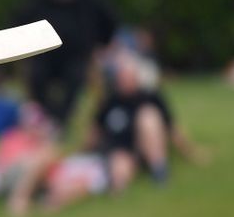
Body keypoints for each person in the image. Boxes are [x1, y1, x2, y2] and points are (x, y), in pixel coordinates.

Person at [85, 51, 208, 192]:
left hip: (144, 146)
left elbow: (172, 128)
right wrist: (83, 152)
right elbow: (95, 130)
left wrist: (190, 152)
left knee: (148, 117)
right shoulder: (110, 101)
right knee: (119, 172)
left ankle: (159, 169)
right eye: (122, 77)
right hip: (120, 151)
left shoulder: (150, 97)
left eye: (128, 76)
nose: (124, 80)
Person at [14, 0, 117, 131]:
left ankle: (60, 120)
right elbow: (17, 25)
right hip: (44, 56)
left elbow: (111, 23)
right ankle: (44, 117)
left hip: (77, 58)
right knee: (36, 74)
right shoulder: (38, 1)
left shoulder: (89, 0)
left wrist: (103, 46)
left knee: (76, 76)